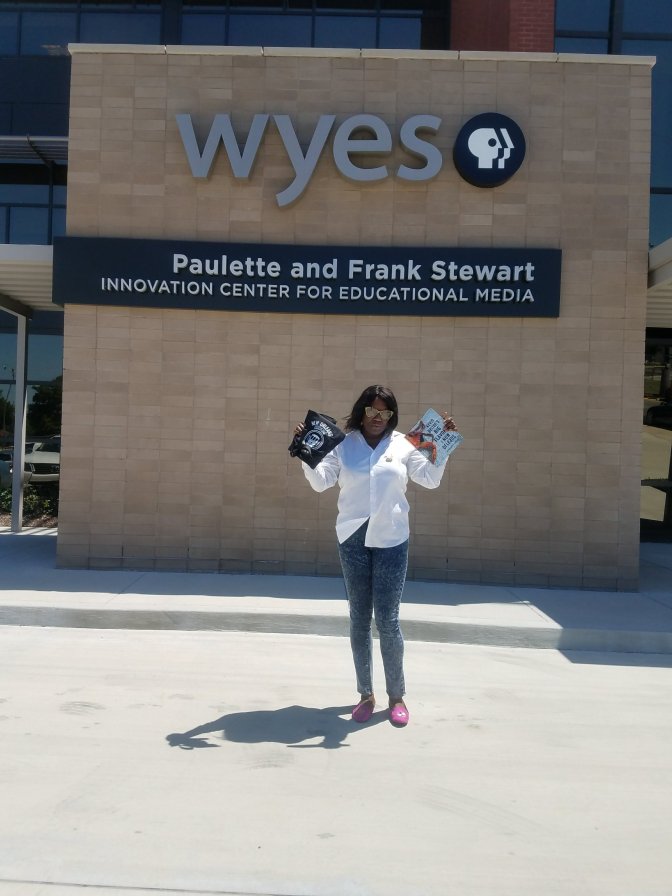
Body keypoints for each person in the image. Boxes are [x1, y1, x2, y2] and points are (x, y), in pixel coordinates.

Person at [294, 385, 457, 727]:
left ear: (392, 415)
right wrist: (307, 455)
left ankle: (396, 696)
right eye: (372, 411)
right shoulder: (343, 444)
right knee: (359, 618)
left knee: (387, 620)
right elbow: (322, 482)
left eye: (384, 412)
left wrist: (441, 447)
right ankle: (366, 694)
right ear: (362, 411)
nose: (377, 418)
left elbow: (429, 480)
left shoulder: (404, 444)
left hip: (392, 539)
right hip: (352, 538)